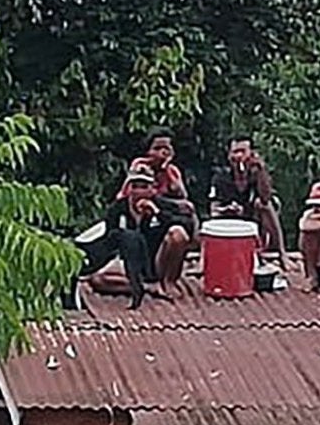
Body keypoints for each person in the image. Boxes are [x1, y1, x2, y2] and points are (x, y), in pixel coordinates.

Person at [94, 164, 196, 308]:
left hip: (157, 260)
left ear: (152, 189)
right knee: (99, 279)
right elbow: (109, 238)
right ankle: (147, 287)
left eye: (144, 187)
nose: (139, 192)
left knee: (178, 234)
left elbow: (187, 226)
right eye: (135, 186)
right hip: (128, 262)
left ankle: (168, 282)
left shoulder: (163, 204)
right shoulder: (118, 209)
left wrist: (157, 214)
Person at [208, 136, 283, 256]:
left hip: (253, 220)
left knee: (265, 206)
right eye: (235, 152)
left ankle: (280, 251)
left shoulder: (257, 175)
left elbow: (266, 198)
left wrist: (260, 171)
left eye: (243, 151)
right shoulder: (221, 177)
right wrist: (226, 210)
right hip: (229, 222)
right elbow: (213, 209)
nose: (239, 156)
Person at [120, 128, 191, 207]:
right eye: (157, 149)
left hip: (165, 207)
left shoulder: (172, 171)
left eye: (166, 148)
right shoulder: (140, 163)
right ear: (148, 151)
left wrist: (164, 167)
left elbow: (180, 194)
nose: (161, 152)